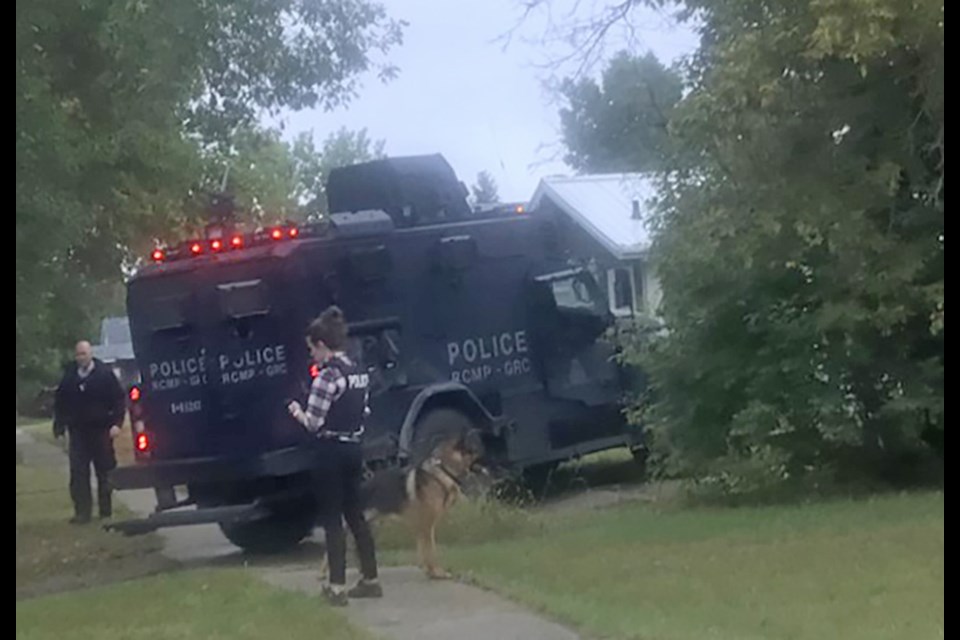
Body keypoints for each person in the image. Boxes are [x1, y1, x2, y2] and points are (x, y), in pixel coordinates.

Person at [287, 306, 381, 606]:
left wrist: (296, 411)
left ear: (322, 345)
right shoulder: (357, 372)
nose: (312, 356)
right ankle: (370, 579)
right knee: (356, 515)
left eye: (312, 349)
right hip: (355, 448)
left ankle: (336, 587)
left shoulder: (328, 377)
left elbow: (314, 423)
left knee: (332, 518)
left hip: (330, 452)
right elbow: (364, 411)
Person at [53, 341, 125, 524]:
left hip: (101, 431)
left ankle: (105, 512)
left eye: (84, 354)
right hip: (78, 432)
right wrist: (59, 426)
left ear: (91, 354)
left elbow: (118, 399)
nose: (80, 358)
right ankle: (82, 513)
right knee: (78, 474)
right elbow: (60, 402)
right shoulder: (69, 377)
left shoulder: (104, 375)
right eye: (78, 354)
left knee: (104, 472)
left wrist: (117, 423)